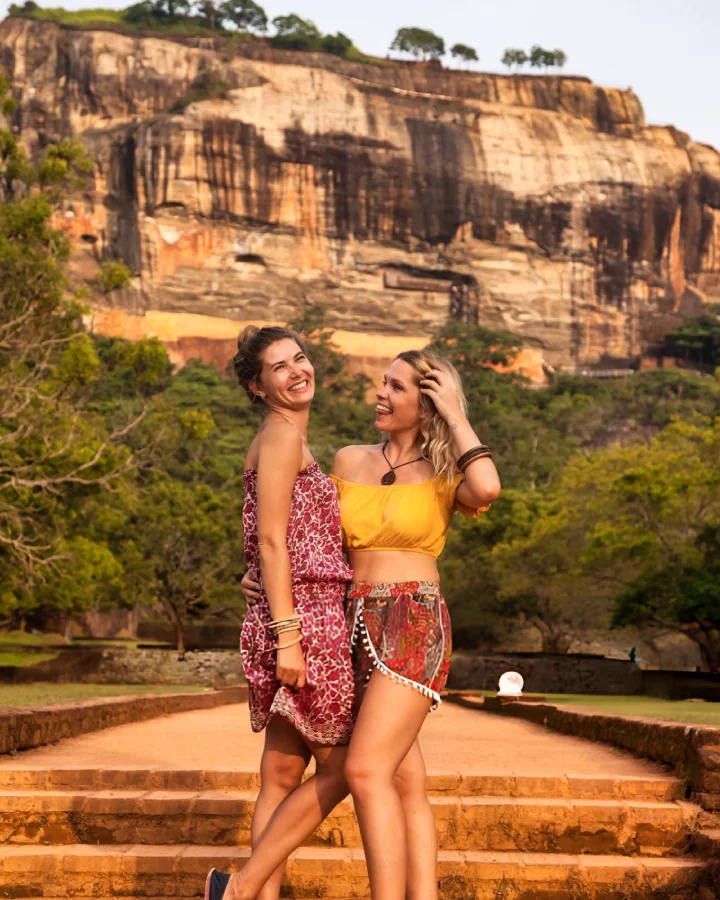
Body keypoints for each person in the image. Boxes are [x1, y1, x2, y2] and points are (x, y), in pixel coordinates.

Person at [228, 347, 500, 900]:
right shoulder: (348, 460)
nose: (380, 393)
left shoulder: (448, 471)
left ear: (426, 404)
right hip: (345, 620)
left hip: (412, 618)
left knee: (367, 769)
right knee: (404, 777)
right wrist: (255, 576)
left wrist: (456, 414)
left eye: (398, 387)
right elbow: (298, 529)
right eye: (385, 382)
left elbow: (489, 489)